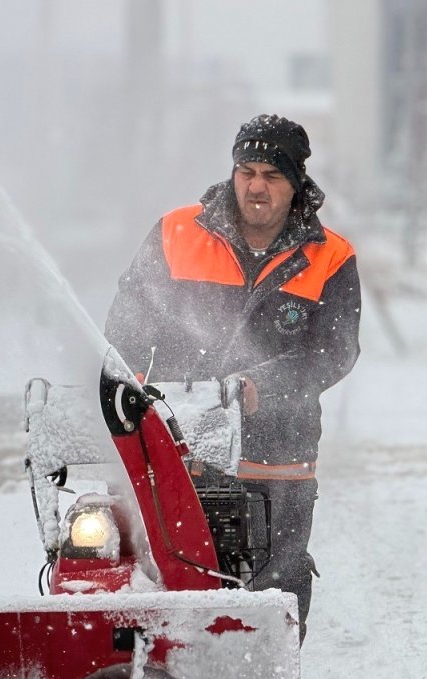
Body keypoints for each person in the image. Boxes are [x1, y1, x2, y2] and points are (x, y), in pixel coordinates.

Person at [106, 114, 361, 639]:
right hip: (180, 449)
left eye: (271, 174)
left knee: (276, 593)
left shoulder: (330, 256)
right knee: (169, 581)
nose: (256, 186)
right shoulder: (176, 233)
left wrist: (261, 386)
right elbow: (126, 328)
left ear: (296, 182)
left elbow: (334, 351)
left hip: (278, 456)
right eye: (246, 171)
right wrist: (129, 389)